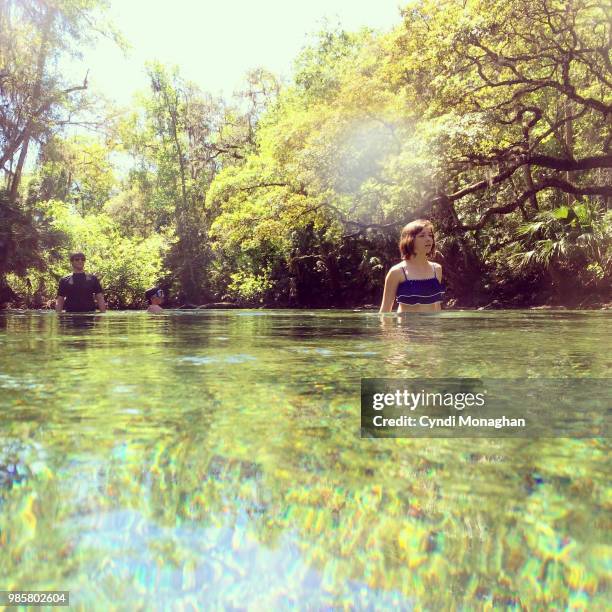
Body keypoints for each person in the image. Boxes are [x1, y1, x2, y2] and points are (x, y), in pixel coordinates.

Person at [379, 219, 445, 313]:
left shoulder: (437, 269)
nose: (428, 239)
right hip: (406, 327)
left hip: (433, 327)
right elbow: (385, 311)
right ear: (409, 240)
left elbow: (437, 306)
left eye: (430, 235)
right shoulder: (396, 272)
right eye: (422, 236)